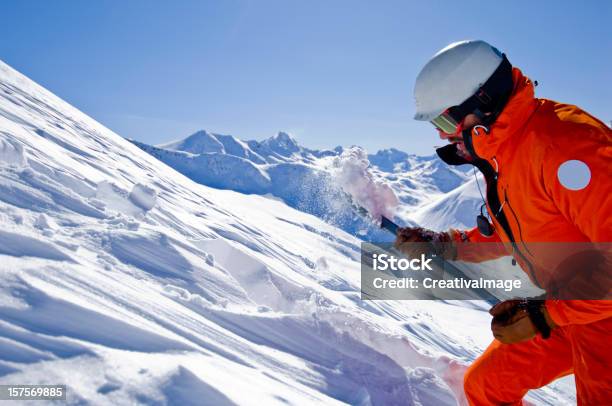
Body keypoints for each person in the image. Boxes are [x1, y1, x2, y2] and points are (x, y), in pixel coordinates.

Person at [396, 40, 611, 404]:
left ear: (483, 101)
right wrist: (444, 244)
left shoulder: (567, 146)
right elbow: (519, 232)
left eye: (445, 120)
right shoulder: (509, 152)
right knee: (486, 387)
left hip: (598, 313)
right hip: (572, 307)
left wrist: (544, 316)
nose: (441, 134)